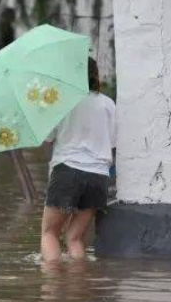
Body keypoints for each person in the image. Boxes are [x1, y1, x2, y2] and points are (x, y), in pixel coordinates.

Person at [40, 57, 116, 262]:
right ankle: (78, 288)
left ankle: (52, 290)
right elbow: (113, 141)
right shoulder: (108, 104)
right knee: (74, 239)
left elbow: (47, 137)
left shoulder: (60, 101)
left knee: (49, 234)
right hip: (98, 177)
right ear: (95, 74)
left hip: (67, 172)